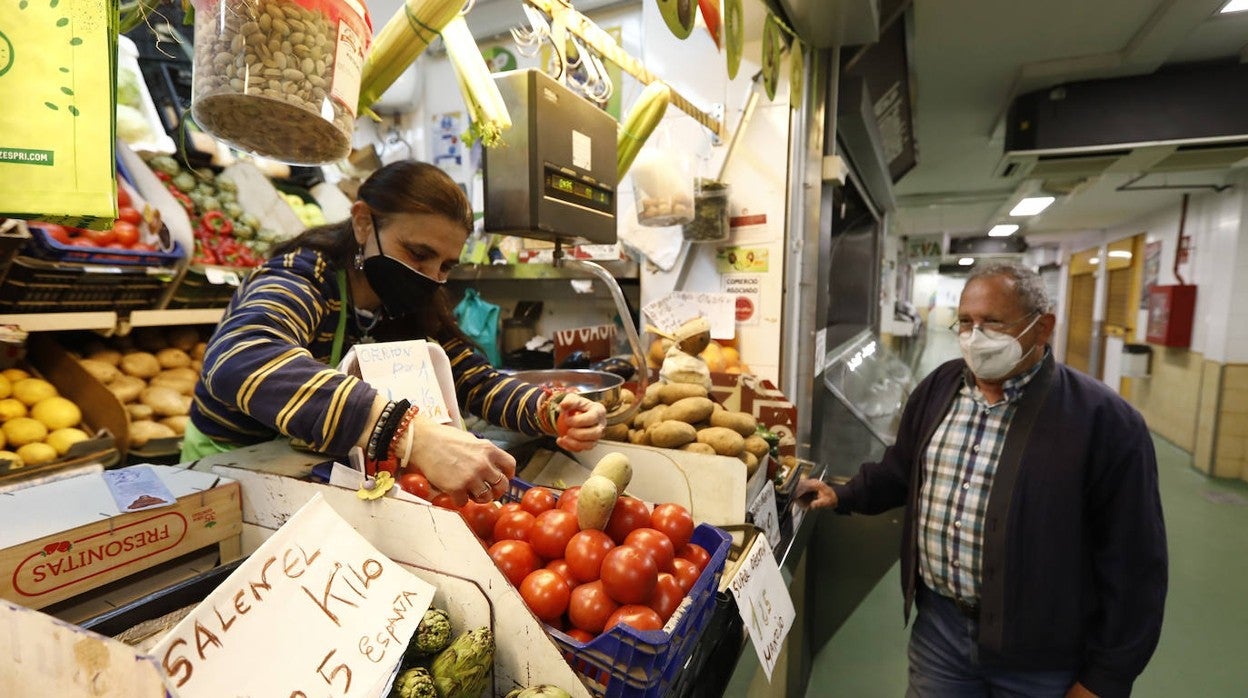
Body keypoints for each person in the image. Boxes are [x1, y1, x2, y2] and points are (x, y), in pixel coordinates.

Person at [797, 262, 1167, 698]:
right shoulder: (938, 389)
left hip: (1044, 656)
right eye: (966, 322)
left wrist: (1105, 678)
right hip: (940, 634)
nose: (975, 337)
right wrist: (842, 494)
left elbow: (1134, 563)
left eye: (992, 322)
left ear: (1042, 327)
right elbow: (902, 471)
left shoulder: (1105, 422)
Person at [183, 160, 606, 504]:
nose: (429, 276)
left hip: (316, 475)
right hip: (229, 474)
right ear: (364, 223)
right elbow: (239, 358)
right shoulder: (302, 276)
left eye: (444, 266)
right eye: (418, 254)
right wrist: (409, 433)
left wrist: (550, 410)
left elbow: (472, 379)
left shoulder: (406, 305)